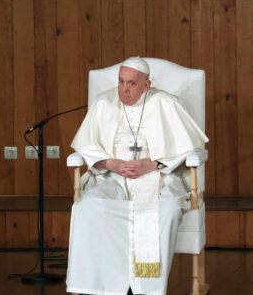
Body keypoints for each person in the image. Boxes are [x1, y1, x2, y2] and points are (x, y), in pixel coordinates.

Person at [65, 57, 209, 295]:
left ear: (146, 85)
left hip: (160, 178)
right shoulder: (104, 103)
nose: (124, 89)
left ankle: (145, 286)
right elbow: (87, 147)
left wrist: (152, 165)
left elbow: (189, 148)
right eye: (121, 82)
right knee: (87, 207)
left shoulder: (166, 103)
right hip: (113, 177)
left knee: (168, 208)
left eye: (132, 83)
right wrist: (112, 163)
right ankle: (102, 286)